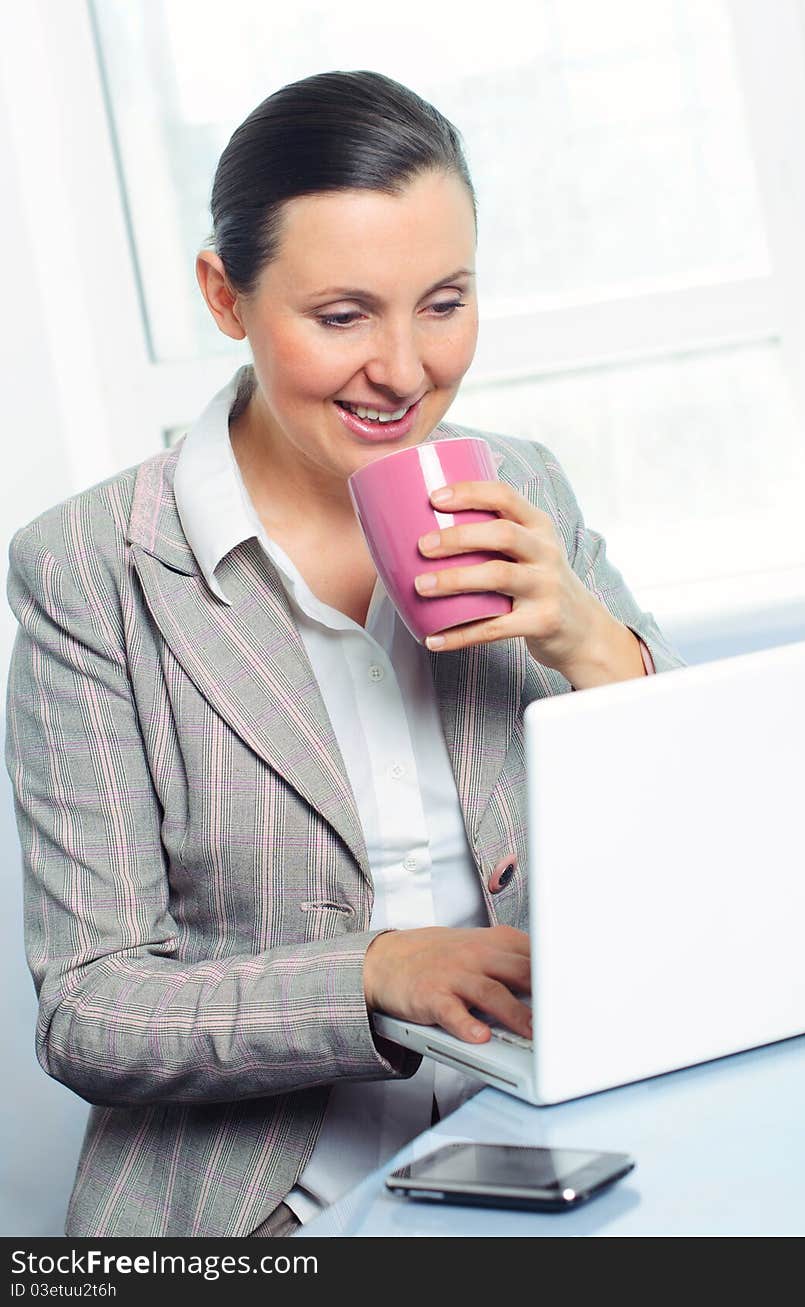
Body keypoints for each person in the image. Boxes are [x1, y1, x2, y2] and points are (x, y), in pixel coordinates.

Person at [4, 70, 686, 1239]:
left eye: (444, 301)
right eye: (341, 315)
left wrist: (589, 641)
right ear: (226, 294)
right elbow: (89, 1007)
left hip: (557, 1141)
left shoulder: (523, 487)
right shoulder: (91, 571)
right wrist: (372, 972)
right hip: (257, 1207)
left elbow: (696, 848)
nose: (407, 371)